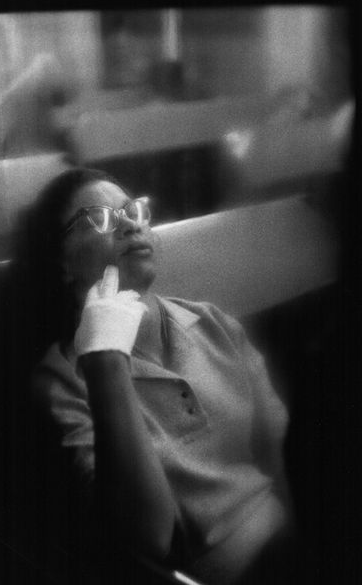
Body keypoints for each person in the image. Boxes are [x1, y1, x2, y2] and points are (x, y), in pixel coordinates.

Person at [29, 166, 296, 585]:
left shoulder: (212, 322)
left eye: (133, 211)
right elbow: (149, 538)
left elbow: (284, 457)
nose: (130, 224)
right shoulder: (63, 380)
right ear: (63, 262)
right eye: (99, 218)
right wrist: (106, 359)